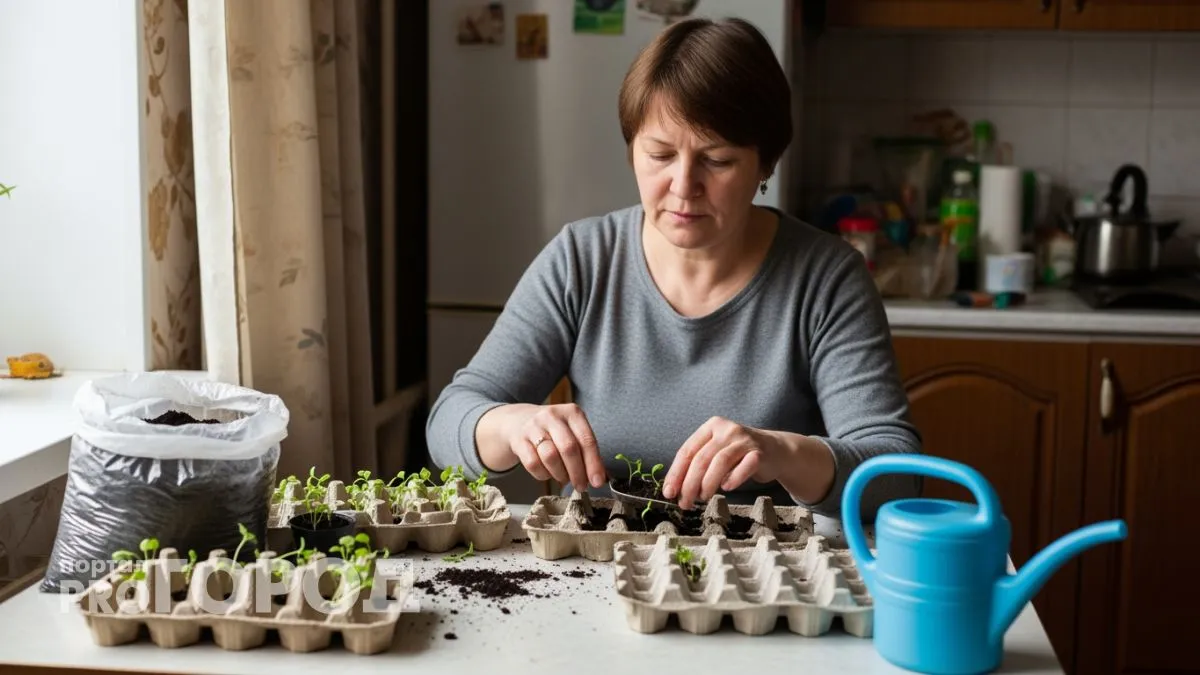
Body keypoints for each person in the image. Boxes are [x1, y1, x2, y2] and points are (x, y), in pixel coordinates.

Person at [426, 16, 921, 521]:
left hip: (770, 571)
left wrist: (782, 454)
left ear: (766, 163)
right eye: (659, 154)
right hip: (606, 564)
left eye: (719, 161)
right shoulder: (582, 259)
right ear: (631, 150)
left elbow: (895, 471)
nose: (684, 186)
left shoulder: (826, 278)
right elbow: (449, 420)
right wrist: (510, 426)